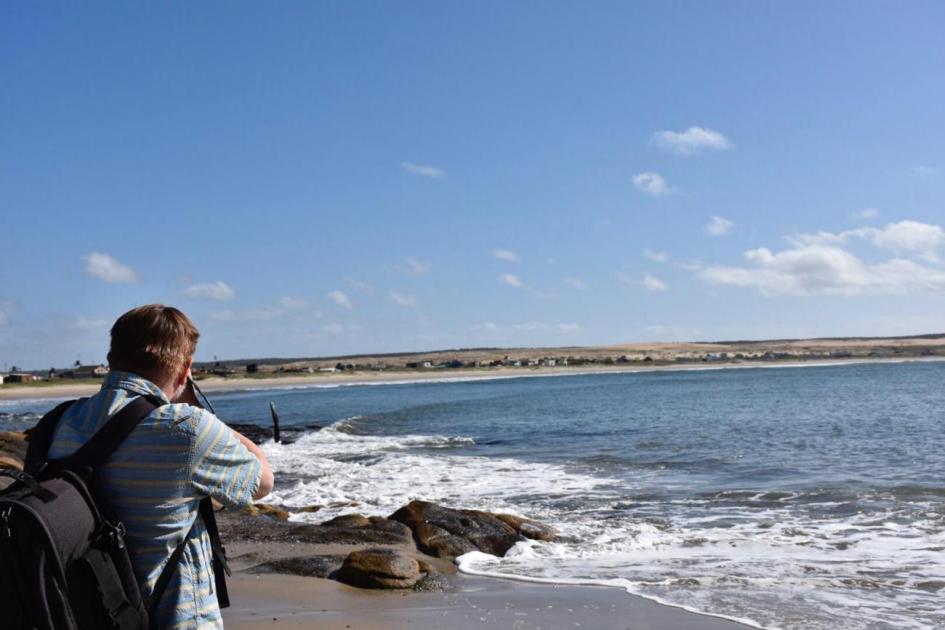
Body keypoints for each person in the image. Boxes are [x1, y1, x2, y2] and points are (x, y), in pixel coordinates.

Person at [46, 304, 274, 630]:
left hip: (78, 615)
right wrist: (209, 421)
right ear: (185, 369)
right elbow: (262, 482)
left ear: (112, 359)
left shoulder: (57, 422)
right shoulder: (186, 427)